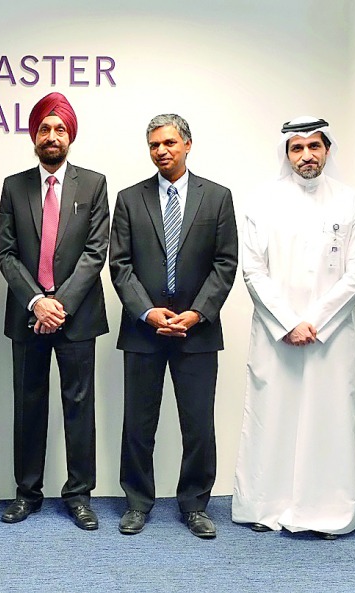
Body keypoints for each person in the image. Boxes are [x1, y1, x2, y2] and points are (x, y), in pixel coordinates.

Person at [230, 117, 355, 539]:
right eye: (297, 148)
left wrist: (316, 320)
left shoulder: (352, 204)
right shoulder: (262, 201)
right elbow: (253, 271)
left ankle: (324, 512)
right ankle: (264, 505)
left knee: (327, 418)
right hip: (277, 333)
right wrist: (290, 322)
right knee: (271, 415)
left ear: (328, 150)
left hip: (333, 334)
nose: (306, 155)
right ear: (286, 154)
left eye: (314, 146)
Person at [109, 113, 238, 539]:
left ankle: (196, 505)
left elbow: (225, 263)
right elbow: (120, 264)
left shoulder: (217, 197)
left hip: (197, 330)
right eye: (153, 145)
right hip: (145, 329)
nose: (160, 151)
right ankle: (137, 502)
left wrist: (198, 312)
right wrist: (148, 312)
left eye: (167, 143)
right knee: (138, 423)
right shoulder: (130, 199)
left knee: (198, 423)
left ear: (186, 144)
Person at [0, 92, 110, 531]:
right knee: (28, 404)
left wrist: (58, 304)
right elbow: (6, 253)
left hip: (76, 316)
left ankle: (79, 494)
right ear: (34, 135)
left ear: (70, 135)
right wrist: (37, 301)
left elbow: (95, 251)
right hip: (28, 313)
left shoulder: (94, 184)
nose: (52, 135)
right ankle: (27, 493)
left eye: (59, 128)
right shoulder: (13, 185)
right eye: (44, 128)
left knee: (79, 406)